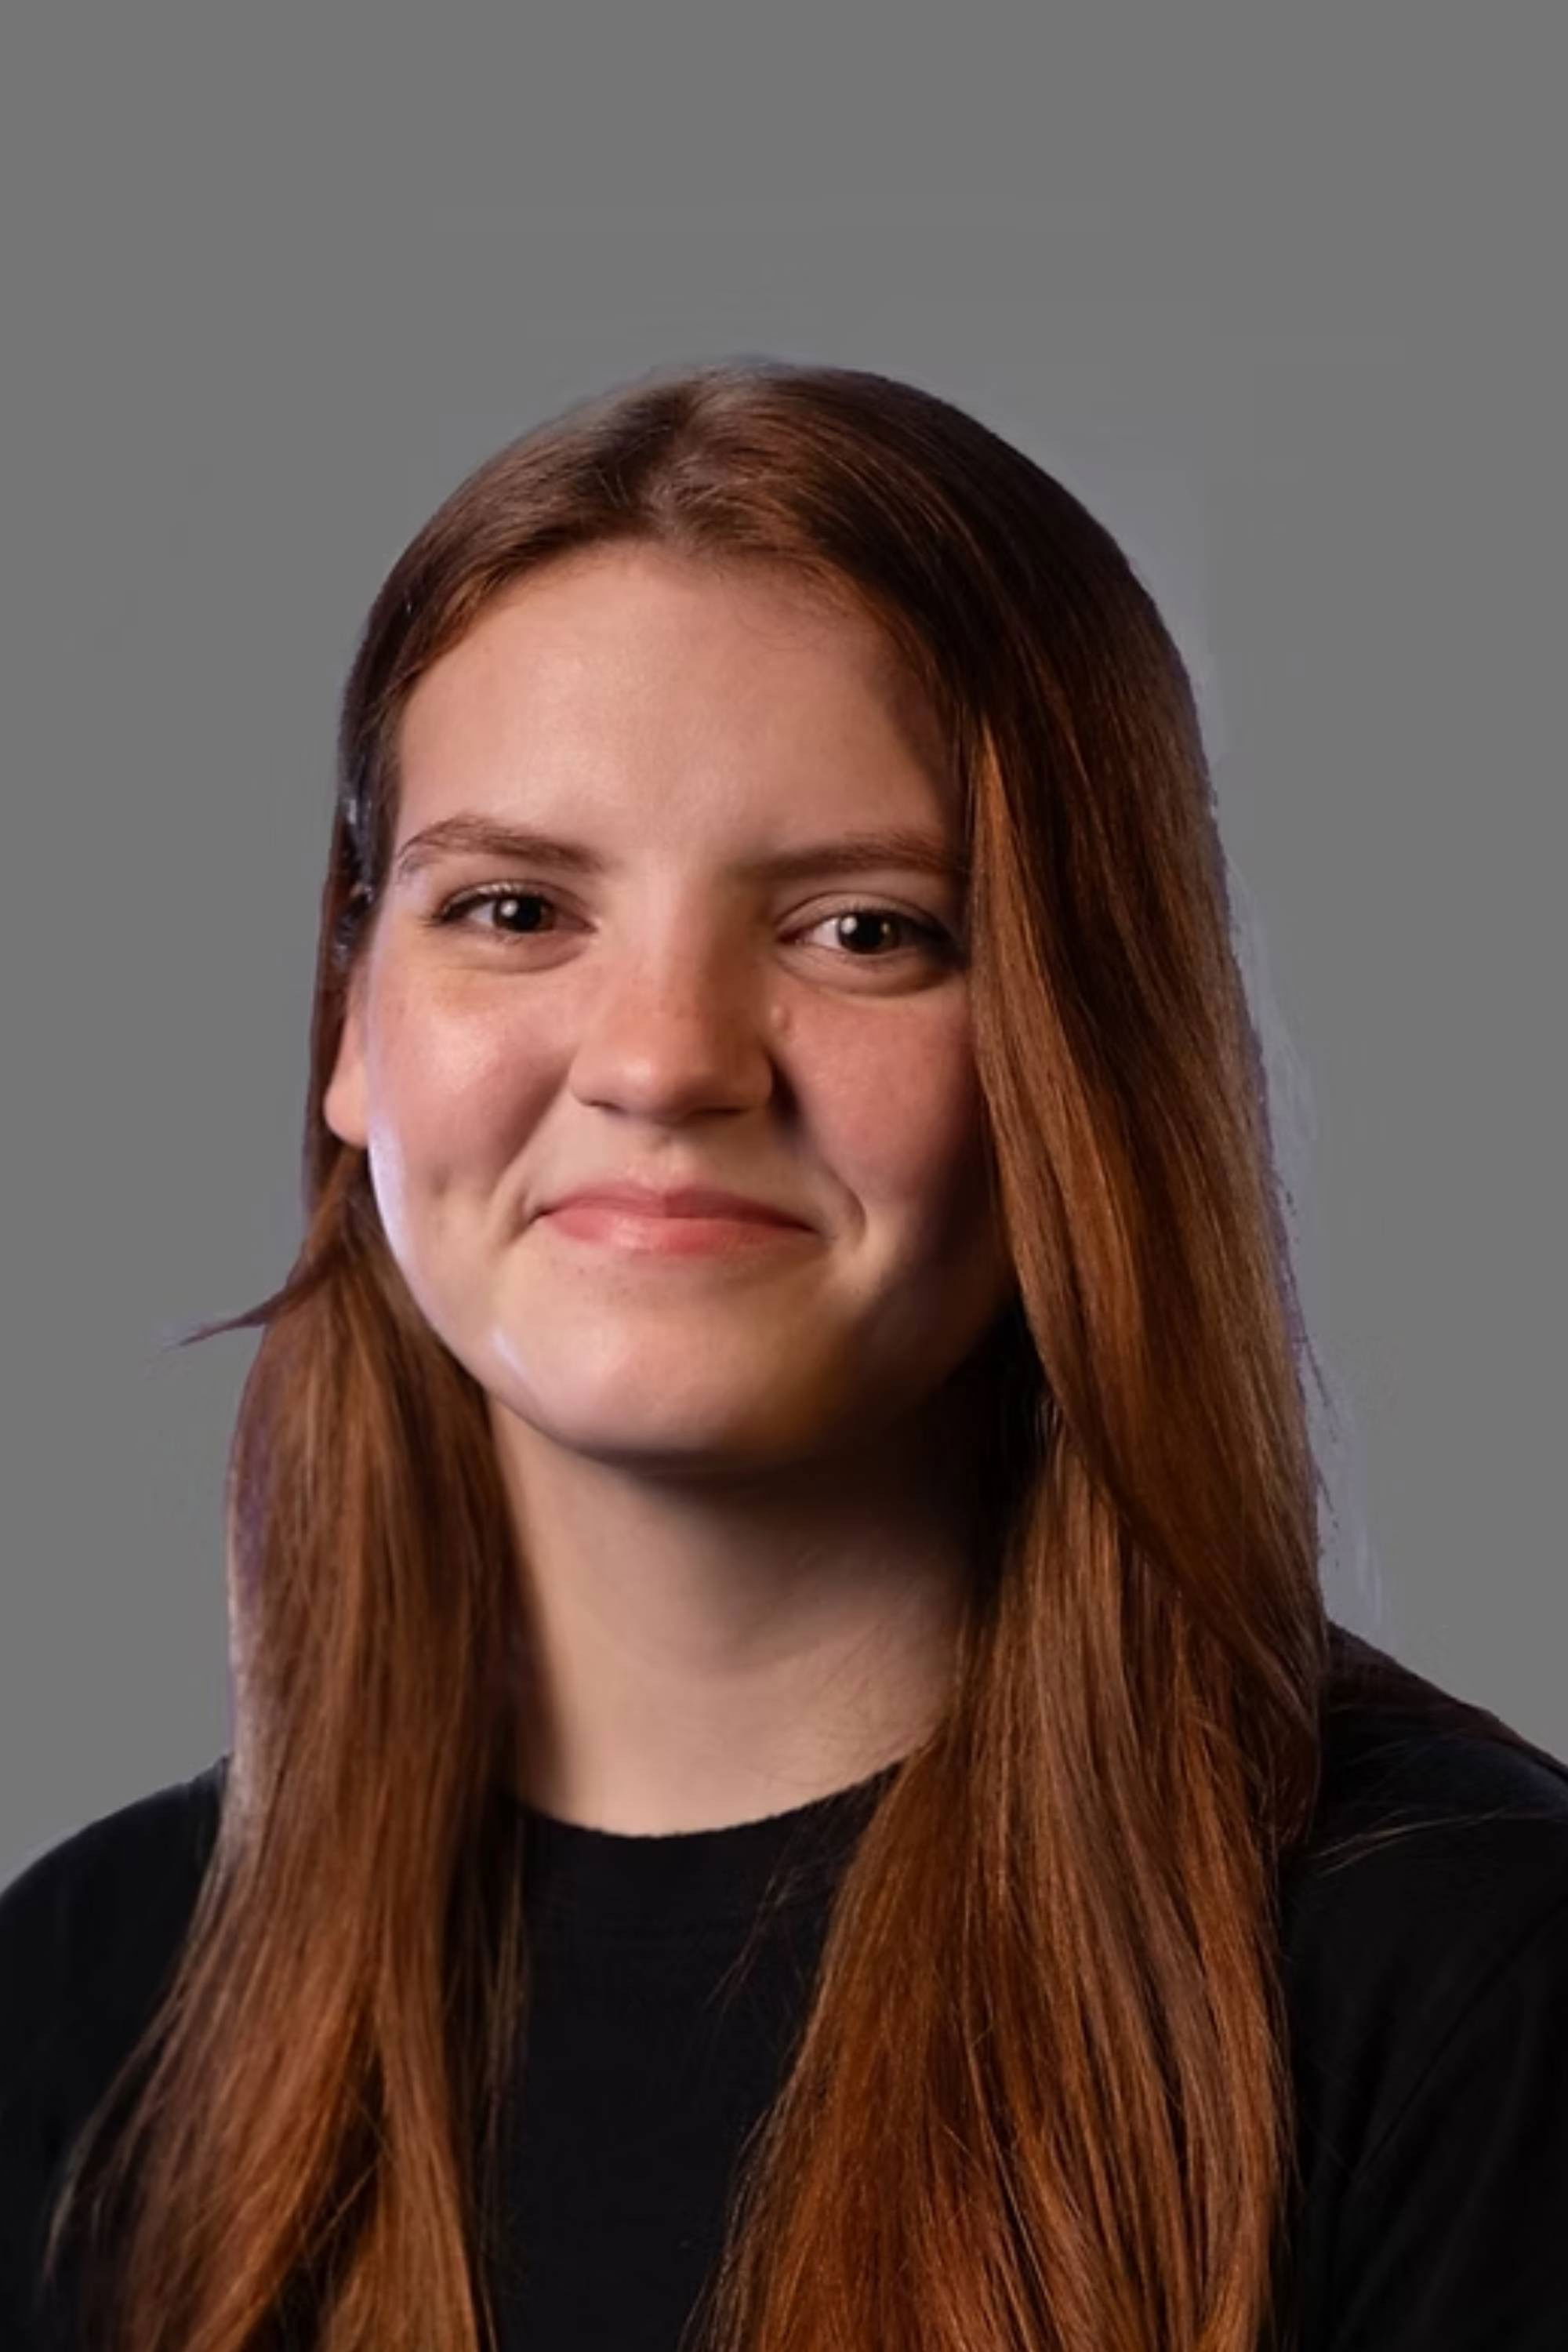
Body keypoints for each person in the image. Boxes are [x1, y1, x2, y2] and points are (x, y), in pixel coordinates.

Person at [2, 358, 1565, 2352]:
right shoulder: (86, 2003)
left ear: (1083, 1050)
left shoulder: (1464, 1983)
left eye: (863, 930)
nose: (664, 1063)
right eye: (514, 906)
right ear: (353, 1026)